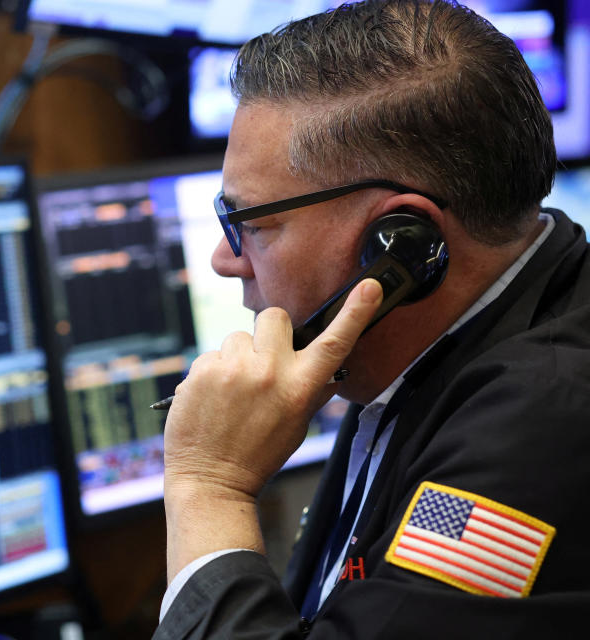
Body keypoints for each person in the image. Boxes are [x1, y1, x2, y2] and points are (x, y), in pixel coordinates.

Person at [154, 0, 590, 637]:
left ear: (402, 241)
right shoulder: (429, 336)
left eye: (250, 223)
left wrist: (207, 488)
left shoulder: (540, 428)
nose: (226, 259)